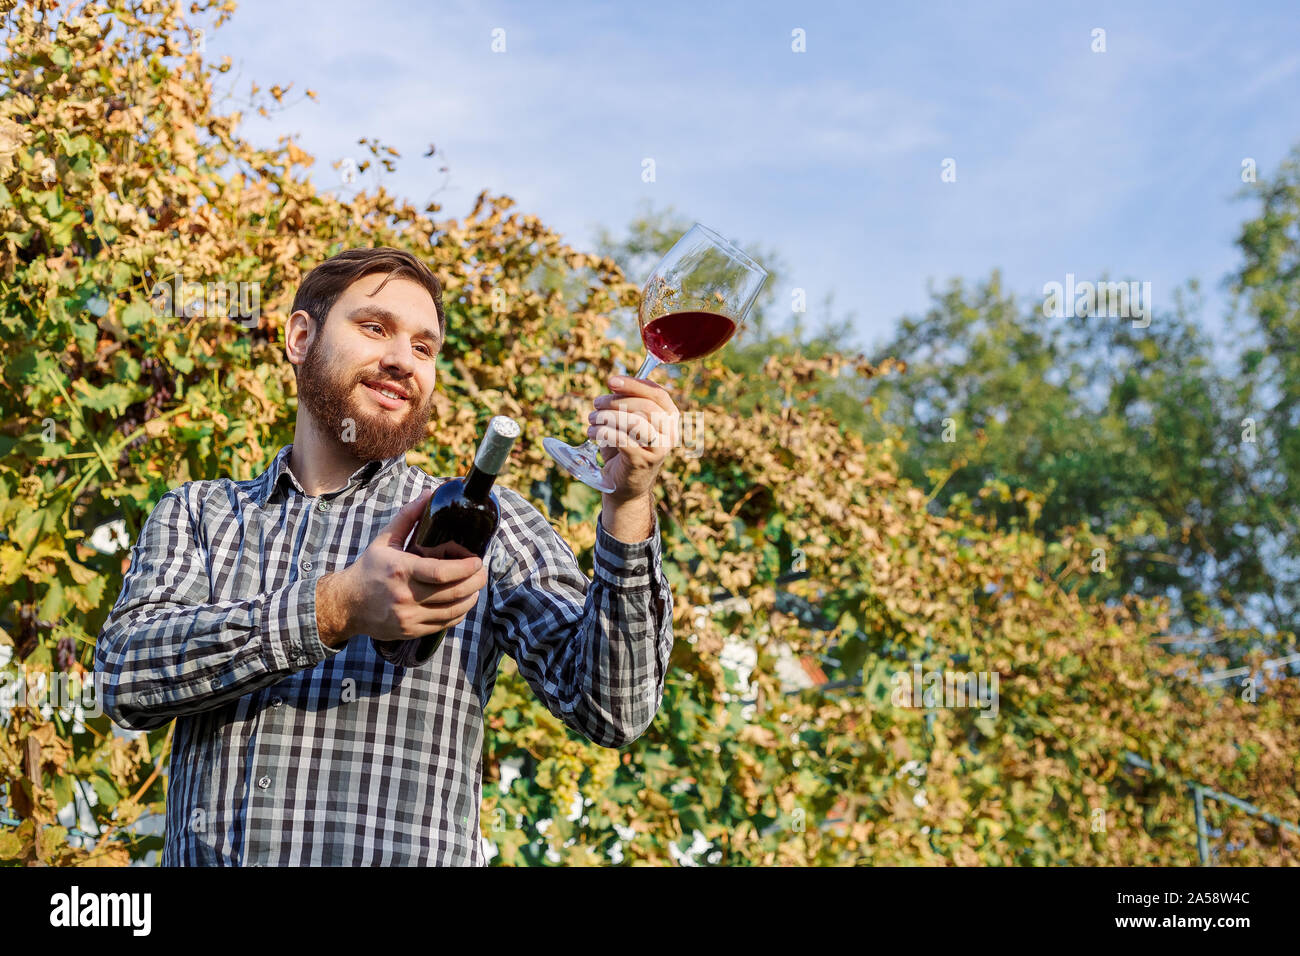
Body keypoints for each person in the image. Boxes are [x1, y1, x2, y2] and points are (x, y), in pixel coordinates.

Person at [94, 247, 679, 865]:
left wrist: (629, 505)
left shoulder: (483, 526)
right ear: (300, 338)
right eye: (375, 328)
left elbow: (612, 708)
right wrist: (335, 609)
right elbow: (123, 680)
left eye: (425, 348)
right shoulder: (201, 515)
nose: (403, 360)